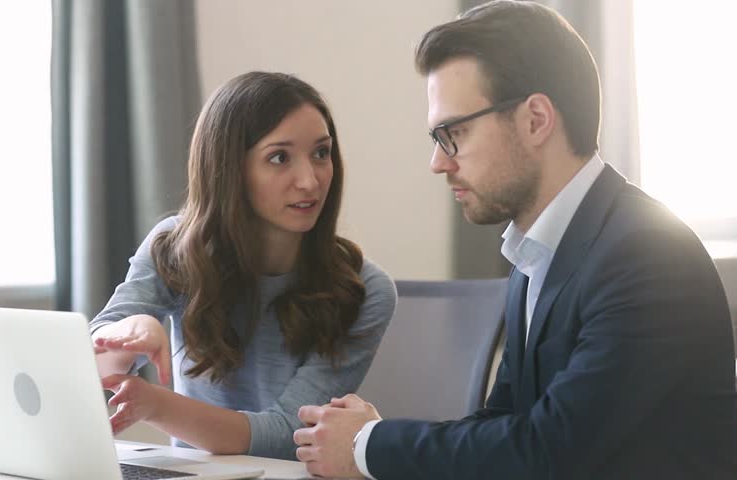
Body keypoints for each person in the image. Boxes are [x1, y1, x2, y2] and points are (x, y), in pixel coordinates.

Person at [293, 2, 737, 478]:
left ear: (536, 119)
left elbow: (547, 450)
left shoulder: (647, 255)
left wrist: (368, 445)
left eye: (454, 133)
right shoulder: (537, 253)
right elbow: (503, 425)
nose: (438, 163)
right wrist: (370, 441)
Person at [89, 71, 397, 461]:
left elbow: (290, 433)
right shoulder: (175, 246)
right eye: (279, 157)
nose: (310, 181)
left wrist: (156, 406)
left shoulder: (366, 289)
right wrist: (129, 331)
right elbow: (97, 363)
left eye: (321, 153)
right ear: (229, 169)